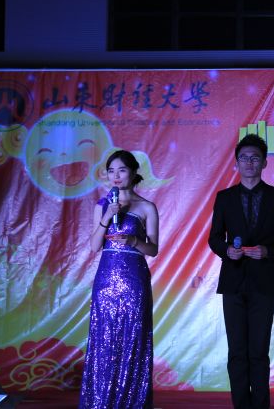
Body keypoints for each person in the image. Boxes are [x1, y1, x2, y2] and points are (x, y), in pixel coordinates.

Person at [208, 134, 274, 409]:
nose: (249, 163)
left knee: (259, 351)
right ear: (236, 163)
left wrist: (268, 251)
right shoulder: (224, 198)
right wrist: (227, 250)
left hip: (265, 281)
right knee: (237, 350)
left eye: (255, 158)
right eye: (244, 158)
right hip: (233, 281)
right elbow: (215, 238)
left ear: (264, 163)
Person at [79, 150, 159, 409]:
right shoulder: (102, 205)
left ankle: (131, 403)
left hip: (134, 280)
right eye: (111, 171)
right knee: (104, 339)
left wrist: (134, 240)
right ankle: (101, 402)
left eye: (121, 170)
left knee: (133, 338)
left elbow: (153, 249)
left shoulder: (146, 207)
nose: (115, 176)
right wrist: (107, 215)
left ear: (133, 173)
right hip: (105, 280)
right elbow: (94, 246)